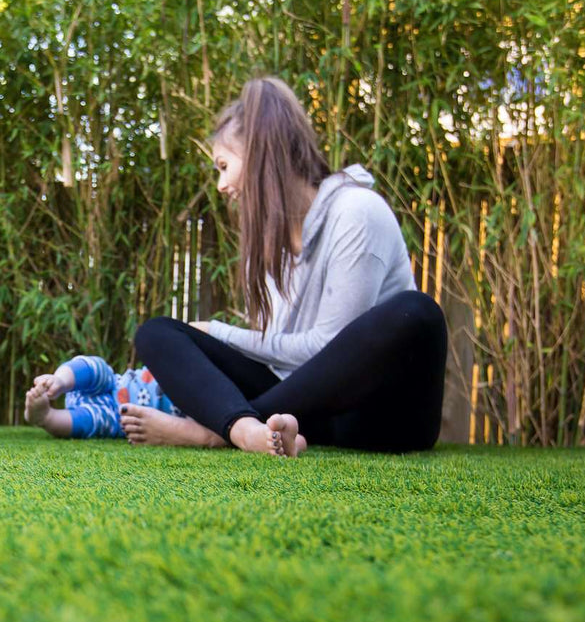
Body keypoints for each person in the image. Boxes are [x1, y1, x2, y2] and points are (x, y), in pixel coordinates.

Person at [128, 77, 447, 457]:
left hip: (380, 418)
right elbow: (279, 360)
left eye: (224, 166)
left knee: (419, 313)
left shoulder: (357, 212)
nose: (221, 185)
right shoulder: (273, 241)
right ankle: (247, 429)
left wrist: (218, 332)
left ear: (261, 153)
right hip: (301, 415)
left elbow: (327, 351)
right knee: (157, 333)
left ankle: (217, 432)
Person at [23, 355, 195, 440]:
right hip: (116, 383)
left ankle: (46, 417)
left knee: (89, 422)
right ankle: (60, 380)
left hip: (118, 418)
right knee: (94, 367)